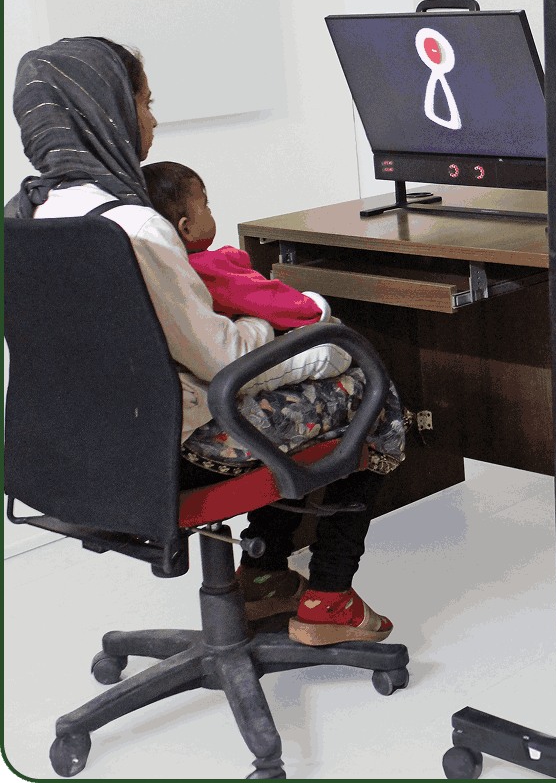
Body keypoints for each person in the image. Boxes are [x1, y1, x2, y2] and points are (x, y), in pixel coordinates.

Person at [7, 37, 405, 646]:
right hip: (179, 444)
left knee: (317, 381)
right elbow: (223, 361)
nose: (153, 119)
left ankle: (266, 576)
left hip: (81, 447)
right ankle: (327, 595)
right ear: (104, 111)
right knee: (371, 387)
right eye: (143, 101)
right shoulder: (136, 226)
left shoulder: (26, 217)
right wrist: (297, 333)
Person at [143, 160, 330, 330]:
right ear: (186, 228)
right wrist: (316, 306)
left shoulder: (158, 267)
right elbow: (269, 299)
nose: (209, 211)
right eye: (205, 205)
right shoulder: (206, 268)